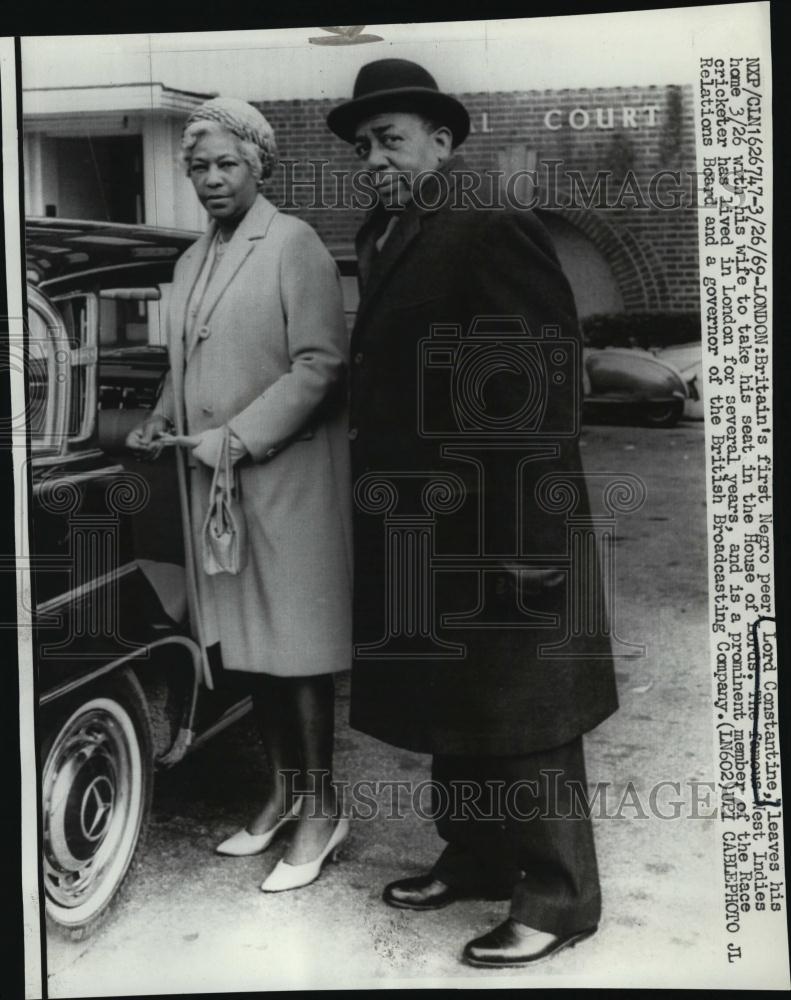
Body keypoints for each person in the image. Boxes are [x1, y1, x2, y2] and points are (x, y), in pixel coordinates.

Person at [327, 59, 618, 966]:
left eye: (392, 140)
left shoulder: (489, 223)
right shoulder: (385, 230)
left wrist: (529, 544)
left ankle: (556, 898)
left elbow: (538, 386)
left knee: (524, 714)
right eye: (364, 145)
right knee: (456, 704)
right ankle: (478, 855)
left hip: (500, 516)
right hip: (425, 524)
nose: (374, 158)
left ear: (443, 142)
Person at [127, 97, 351, 892]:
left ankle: (322, 810)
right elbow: (182, 363)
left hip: (283, 483)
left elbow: (320, 367)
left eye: (227, 164)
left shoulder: (293, 245)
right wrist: (161, 416)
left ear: (259, 165)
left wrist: (235, 437)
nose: (212, 179)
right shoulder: (192, 260)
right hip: (213, 486)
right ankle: (283, 793)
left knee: (295, 653)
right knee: (249, 651)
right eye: (199, 166)